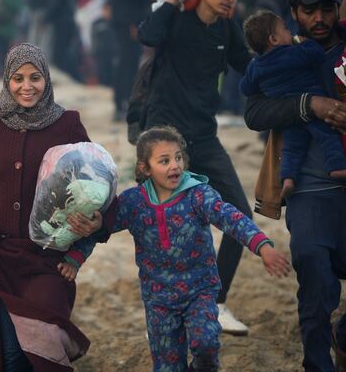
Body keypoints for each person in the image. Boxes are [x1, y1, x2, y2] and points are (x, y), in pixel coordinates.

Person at [67, 126, 291, 372]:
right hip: (158, 299)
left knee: (206, 344)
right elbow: (100, 229)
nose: (174, 165)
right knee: (166, 366)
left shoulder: (198, 195)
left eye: (178, 158)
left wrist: (262, 246)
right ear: (144, 168)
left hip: (201, 290)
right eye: (164, 161)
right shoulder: (133, 202)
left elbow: (232, 218)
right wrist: (75, 259)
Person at [0, 42, 102, 371]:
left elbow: (97, 182)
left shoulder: (67, 124)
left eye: (35, 77)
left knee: (42, 352)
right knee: (8, 355)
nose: (27, 86)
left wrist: (95, 220)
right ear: (7, 81)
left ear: (46, 79)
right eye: (18, 78)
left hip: (47, 260)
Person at [131, 0, 253, 334]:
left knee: (239, 217)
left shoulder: (227, 28)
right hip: (165, 139)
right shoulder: (177, 17)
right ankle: (170, 304)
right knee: (169, 225)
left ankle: (215, 302)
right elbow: (148, 36)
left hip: (204, 136)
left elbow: (249, 68)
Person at [243, 0, 346, 369]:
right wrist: (310, 105)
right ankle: (317, 363)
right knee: (314, 270)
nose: (319, 18)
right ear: (293, 15)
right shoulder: (281, 55)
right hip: (308, 187)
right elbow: (253, 112)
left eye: (326, 8)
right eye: (309, 11)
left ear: (337, 8)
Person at [241, 10, 346, 198]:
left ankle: (288, 178)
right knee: (327, 135)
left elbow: (245, 88)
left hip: (288, 113)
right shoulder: (293, 53)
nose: (290, 33)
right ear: (274, 39)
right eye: (286, 29)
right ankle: (337, 167)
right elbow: (317, 55)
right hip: (313, 103)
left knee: (292, 146)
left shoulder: (255, 65)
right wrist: (305, 42)